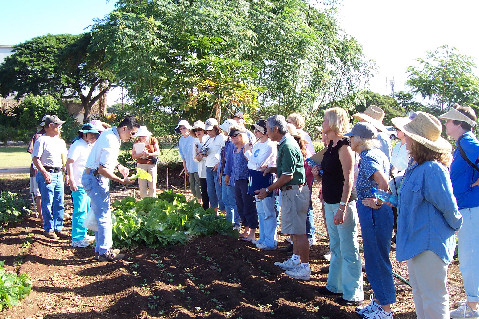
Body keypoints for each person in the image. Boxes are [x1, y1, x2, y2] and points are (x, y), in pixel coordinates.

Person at [392, 112, 462, 319]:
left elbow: (448, 207)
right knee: (421, 294)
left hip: (430, 243)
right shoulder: (417, 168)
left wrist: (456, 225)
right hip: (416, 240)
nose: (405, 140)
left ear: (418, 142)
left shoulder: (432, 169)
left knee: (433, 298)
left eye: (409, 136)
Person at [345, 122, 396, 318]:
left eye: (352, 137)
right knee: (375, 258)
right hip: (375, 214)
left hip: (374, 214)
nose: (349, 139)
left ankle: (385, 310)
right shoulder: (378, 154)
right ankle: (378, 302)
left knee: (376, 259)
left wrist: (378, 201)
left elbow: (384, 183)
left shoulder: (368, 157)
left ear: (359, 139)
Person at [315, 108, 364, 306]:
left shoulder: (345, 146)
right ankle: (334, 285)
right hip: (329, 201)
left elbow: (348, 178)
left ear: (334, 122)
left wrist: (342, 207)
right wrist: (318, 172)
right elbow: (329, 174)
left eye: (326, 119)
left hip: (342, 203)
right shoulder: (331, 146)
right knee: (335, 246)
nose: (323, 123)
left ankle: (353, 293)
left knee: (349, 248)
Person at [256, 115, 311, 281]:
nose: (266, 131)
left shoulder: (287, 145)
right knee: (294, 231)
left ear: (276, 129)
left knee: (300, 232)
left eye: (267, 128)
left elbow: (288, 175)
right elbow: (286, 170)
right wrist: (272, 169)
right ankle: (295, 260)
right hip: (290, 191)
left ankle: (305, 267)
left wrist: (268, 189)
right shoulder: (284, 144)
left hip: (294, 191)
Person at [439, 106, 479, 318]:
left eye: (448, 121)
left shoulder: (468, 142)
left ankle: (472, 308)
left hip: (471, 209)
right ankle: (473, 302)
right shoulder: (463, 143)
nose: (445, 124)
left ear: (459, 123)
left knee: (469, 259)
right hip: (470, 207)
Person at [82, 115, 139, 261]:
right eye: (132, 133)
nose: (132, 137)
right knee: (104, 216)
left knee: (99, 214)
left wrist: (119, 166)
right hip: (95, 178)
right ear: (125, 128)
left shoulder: (110, 134)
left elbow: (106, 158)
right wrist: (121, 180)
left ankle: (99, 249)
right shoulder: (111, 139)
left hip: (93, 177)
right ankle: (104, 251)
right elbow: (102, 169)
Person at [32, 115, 68, 240]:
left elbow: (64, 159)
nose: (60, 127)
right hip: (47, 174)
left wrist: (66, 173)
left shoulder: (60, 141)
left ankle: (58, 227)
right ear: (50, 126)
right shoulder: (41, 140)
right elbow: (36, 159)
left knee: (59, 202)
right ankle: (49, 228)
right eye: (57, 125)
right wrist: (44, 173)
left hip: (58, 174)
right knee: (47, 202)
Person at [244, 119, 277, 249]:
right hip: (255, 177)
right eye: (255, 130)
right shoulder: (257, 145)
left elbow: (257, 164)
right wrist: (252, 159)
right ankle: (262, 238)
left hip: (265, 179)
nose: (255, 132)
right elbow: (252, 164)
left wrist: (247, 153)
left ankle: (270, 240)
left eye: (258, 130)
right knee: (261, 211)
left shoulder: (269, 145)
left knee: (268, 211)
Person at [66, 123, 99, 248]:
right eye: (91, 134)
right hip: (78, 183)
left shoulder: (87, 145)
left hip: (86, 183)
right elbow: (69, 163)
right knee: (79, 210)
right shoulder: (77, 145)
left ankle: (83, 234)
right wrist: (71, 180)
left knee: (85, 209)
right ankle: (77, 238)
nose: (93, 137)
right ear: (84, 134)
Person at [287, 113, 317, 246]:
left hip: (304, 176)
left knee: (306, 206)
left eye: (289, 121)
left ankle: (309, 234)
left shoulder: (303, 136)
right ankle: (296, 236)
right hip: (297, 178)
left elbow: (310, 156)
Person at [229, 128, 258, 241]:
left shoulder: (246, 147)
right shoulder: (235, 150)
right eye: (232, 137)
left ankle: (252, 232)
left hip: (246, 180)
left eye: (236, 136)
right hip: (237, 180)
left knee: (249, 205)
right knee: (240, 205)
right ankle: (246, 229)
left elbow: (251, 161)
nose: (234, 139)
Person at [219, 119, 240, 229]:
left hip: (230, 175)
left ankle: (236, 223)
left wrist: (227, 175)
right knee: (225, 199)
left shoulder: (232, 144)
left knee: (232, 200)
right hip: (224, 174)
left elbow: (230, 161)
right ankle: (229, 221)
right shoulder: (227, 141)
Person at [202, 118, 226, 212]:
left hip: (217, 168)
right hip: (208, 166)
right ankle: (214, 212)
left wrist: (219, 164)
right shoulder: (207, 139)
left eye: (211, 130)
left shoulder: (222, 138)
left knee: (219, 191)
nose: (209, 132)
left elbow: (225, 153)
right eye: (207, 130)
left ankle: (224, 211)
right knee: (210, 191)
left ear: (216, 128)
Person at [27, 117, 47, 221]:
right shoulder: (38, 136)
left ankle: (44, 217)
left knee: (41, 194)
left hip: (45, 169)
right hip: (37, 169)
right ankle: (42, 217)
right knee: (39, 194)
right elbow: (33, 155)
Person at [176, 120, 201, 200]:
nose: (183, 130)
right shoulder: (181, 140)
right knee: (192, 187)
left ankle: (200, 202)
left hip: (198, 165)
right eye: (181, 129)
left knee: (198, 186)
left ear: (188, 128)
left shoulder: (194, 138)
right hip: (189, 166)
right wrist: (185, 167)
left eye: (184, 128)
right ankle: (197, 201)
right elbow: (183, 155)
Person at [132, 126, 159, 198]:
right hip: (141, 164)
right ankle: (143, 201)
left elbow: (158, 152)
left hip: (151, 164)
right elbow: (133, 156)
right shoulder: (137, 142)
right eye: (141, 136)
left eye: (144, 136)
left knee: (152, 184)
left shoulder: (153, 140)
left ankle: (152, 201)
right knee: (142, 185)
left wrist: (149, 154)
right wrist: (141, 154)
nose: (142, 137)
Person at [192, 120, 210, 209]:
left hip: (209, 169)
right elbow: (194, 157)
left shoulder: (208, 140)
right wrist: (197, 158)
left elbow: (211, 156)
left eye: (200, 129)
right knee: (203, 190)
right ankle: (205, 209)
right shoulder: (195, 142)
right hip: (201, 170)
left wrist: (202, 157)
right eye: (196, 130)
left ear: (204, 130)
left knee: (210, 191)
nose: (197, 132)